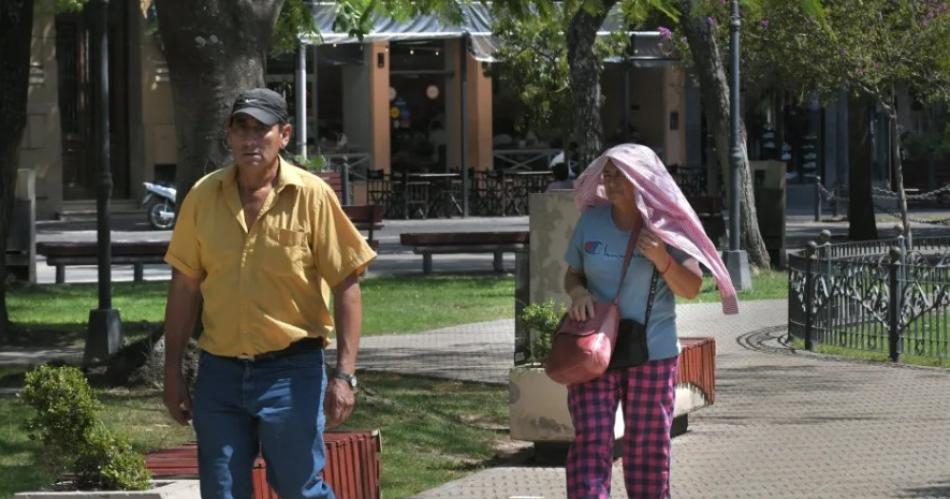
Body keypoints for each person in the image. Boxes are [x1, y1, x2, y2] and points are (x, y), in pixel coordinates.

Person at [162, 88, 376, 499]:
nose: (250, 139)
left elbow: (346, 285)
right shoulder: (203, 197)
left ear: (285, 135)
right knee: (221, 491)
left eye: (262, 129)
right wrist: (173, 372)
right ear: (229, 135)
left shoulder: (312, 196)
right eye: (241, 127)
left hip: (291, 372)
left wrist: (345, 375)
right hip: (219, 374)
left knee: (300, 489)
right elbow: (185, 287)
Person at [563, 144, 738, 498]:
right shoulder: (591, 221)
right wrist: (578, 294)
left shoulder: (666, 226)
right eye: (607, 174)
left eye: (620, 175)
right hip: (595, 351)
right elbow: (573, 274)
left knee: (647, 449)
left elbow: (690, 287)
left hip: (652, 353)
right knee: (592, 437)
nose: (610, 182)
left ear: (641, 180)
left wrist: (662, 258)